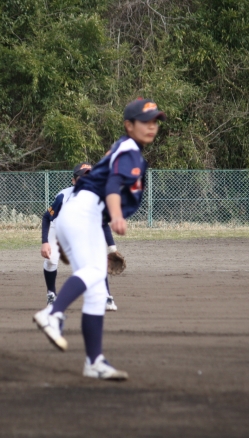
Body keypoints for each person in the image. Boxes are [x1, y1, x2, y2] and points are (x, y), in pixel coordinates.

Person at [33, 98, 165, 380]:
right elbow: (114, 184)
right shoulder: (130, 150)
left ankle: (94, 362)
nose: (152, 126)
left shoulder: (124, 148)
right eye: (145, 121)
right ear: (129, 125)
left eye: (155, 121)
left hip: (85, 217)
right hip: (85, 213)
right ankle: (53, 314)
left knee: (96, 292)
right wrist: (116, 215)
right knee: (95, 271)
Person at [41, 164, 120, 311]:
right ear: (74, 181)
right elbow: (46, 218)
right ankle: (51, 294)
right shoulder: (64, 196)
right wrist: (45, 242)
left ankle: (106, 297)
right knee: (51, 260)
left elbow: (103, 224)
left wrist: (112, 249)